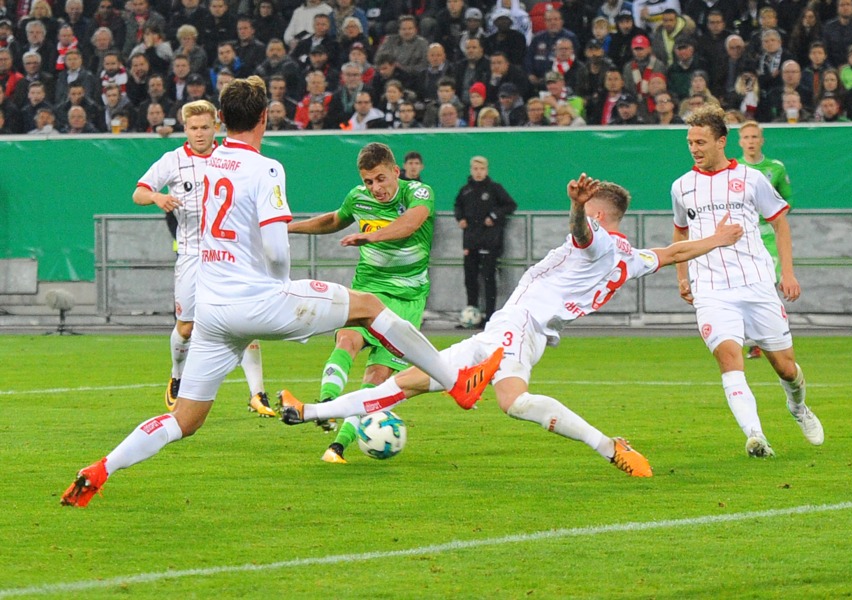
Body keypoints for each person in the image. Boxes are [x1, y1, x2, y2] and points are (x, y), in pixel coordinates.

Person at [61, 76, 501, 508]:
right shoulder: (266, 166)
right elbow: (274, 245)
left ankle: (102, 468)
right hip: (260, 300)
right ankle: (456, 384)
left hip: (213, 310)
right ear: (264, 117)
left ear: (220, 120)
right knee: (369, 307)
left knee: (185, 420)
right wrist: (283, 287)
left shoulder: (205, 163)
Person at [279, 173, 746, 479]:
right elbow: (673, 252)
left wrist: (576, 209)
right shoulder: (631, 255)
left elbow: (582, 235)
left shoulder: (598, 238)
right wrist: (720, 238)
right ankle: (310, 413)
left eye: (589, 208)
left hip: (521, 324)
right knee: (409, 382)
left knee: (511, 401)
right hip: (508, 329)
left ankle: (607, 446)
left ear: (599, 213)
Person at [672, 105, 824, 458]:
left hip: (756, 284)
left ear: (722, 141)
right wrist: (682, 275)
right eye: (690, 142)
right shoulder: (682, 187)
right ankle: (755, 436)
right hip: (711, 289)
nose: (694, 148)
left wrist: (787, 272)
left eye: (701, 141)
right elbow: (680, 230)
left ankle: (798, 407)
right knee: (730, 359)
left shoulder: (753, 179)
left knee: (785, 368)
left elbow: (780, 223)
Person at [286, 142, 436, 462]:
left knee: (377, 378)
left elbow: (411, 223)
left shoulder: (419, 193)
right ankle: (325, 405)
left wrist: (370, 236)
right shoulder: (358, 198)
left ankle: (338, 445)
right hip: (368, 289)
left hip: (408, 299)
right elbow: (333, 220)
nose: (375, 188)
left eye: (381, 179)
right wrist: (288, 228)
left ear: (396, 172)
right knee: (348, 338)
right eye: (369, 181)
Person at [132, 100, 274, 415]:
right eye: (194, 128)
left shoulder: (230, 159)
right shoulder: (172, 161)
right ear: (185, 128)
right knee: (186, 327)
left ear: (216, 127)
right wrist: (157, 196)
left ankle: (257, 392)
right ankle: (177, 375)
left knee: (244, 320)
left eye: (205, 127)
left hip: (230, 254)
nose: (199, 134)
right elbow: (138, 193)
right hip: (192, 254)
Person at [737, 120, 795, 360]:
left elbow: (786, 200)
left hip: (768, 235)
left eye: (754, 137)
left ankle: (768, 338)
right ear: (740, 142)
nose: (751, 142)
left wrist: (775, 220)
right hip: (742, 235)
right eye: (746, 137)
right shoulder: (734, 168)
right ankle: (753, 338)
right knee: (742, 285)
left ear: (762, 140)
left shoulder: (776, 168)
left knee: (767, 283)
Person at [454, 156, 517, 324]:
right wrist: (459, 218)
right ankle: (472, 314)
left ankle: (490, 317)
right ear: (471, 170)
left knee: (489, 278)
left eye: (481, 169)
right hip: (471, 242)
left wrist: (494, 216)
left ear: (486, 170)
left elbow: (510, 205)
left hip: (490, 242)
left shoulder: (495, 188)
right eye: (475, 169)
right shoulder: (465, 191)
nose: (478, 172)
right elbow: (457, 206)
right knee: (470, 279)